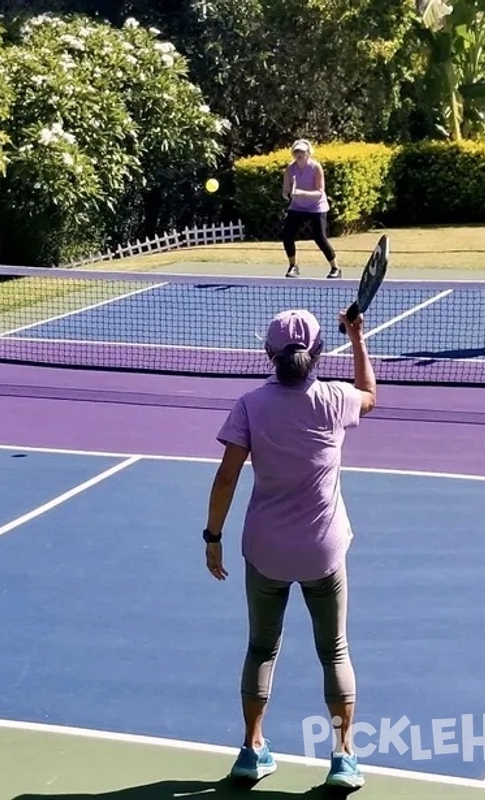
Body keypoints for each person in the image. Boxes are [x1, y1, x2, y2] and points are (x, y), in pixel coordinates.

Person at [202, 307, 375, 790]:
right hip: (323, 552)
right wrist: (358, 338)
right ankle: (343, 757)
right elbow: (371, 396)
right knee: (335, 651)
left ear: (268, 354)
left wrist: (212, 537)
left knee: (261, 647)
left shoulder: (249, 405)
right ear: (319, 354)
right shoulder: (337, 399)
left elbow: (227, 475)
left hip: (266, 553)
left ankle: (252, 750)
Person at [281, 140, 341, 279]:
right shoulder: (290, 169)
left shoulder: (316, 167)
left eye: (302, 151)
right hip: (297, 206)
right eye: (296, 152)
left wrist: (301, 193)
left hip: (317, 206)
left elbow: (320, 192)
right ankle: (293, 266)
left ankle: (335, 268)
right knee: (288, 236)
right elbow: (285, 191)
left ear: (308, 153)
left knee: (320, 238)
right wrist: (289, 195)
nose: (299, 154)